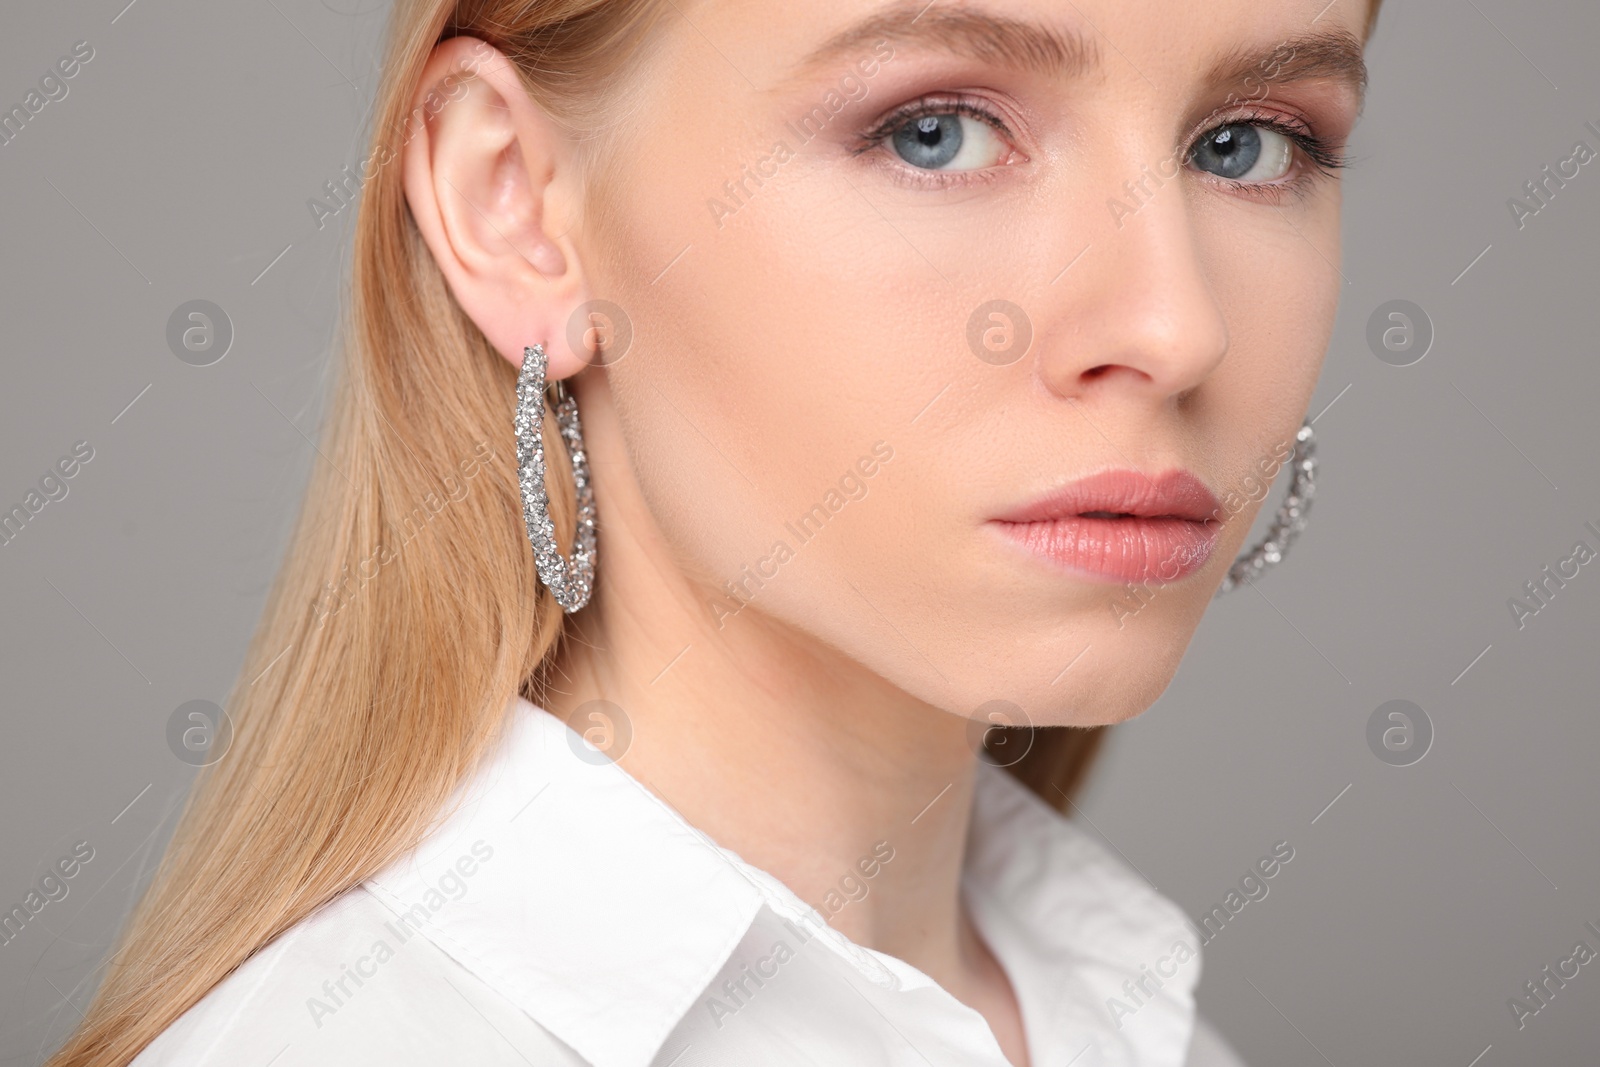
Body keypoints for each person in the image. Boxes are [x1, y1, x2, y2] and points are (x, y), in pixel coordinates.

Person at [47, 0, 1380, 1063]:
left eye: (1250, 144)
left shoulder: (1146, 1027)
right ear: (513, 204)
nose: (1173, 326)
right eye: (935, 131)